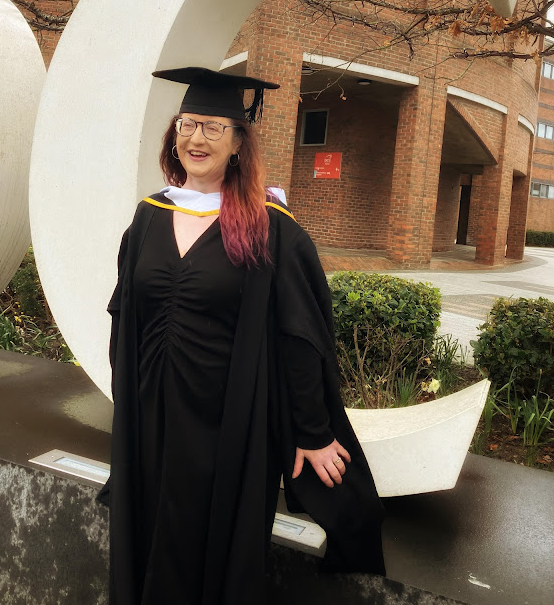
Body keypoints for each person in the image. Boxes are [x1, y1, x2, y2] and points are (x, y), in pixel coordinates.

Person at [98, 67, 385, 605]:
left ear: (237, 142)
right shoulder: (148, 218)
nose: (195, 138)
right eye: (187, 124)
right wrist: (126, 405)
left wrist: (312, 429)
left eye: (211, 126)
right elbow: (124, 313)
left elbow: (299, 334)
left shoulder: (267, 225)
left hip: (226, 426)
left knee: (210, 549)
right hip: (149, 420)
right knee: (144, 538)